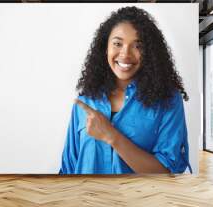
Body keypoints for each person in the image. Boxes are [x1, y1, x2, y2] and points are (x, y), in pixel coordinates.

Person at [59, 6, 192, 174]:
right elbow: (68, 168)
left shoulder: (168, 100)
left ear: (149, 52)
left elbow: (168, 173)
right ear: (105, 48)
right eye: (117, 43)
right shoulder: (86, 101)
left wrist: (112, 136)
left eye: (138, 46)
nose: (125, 54)